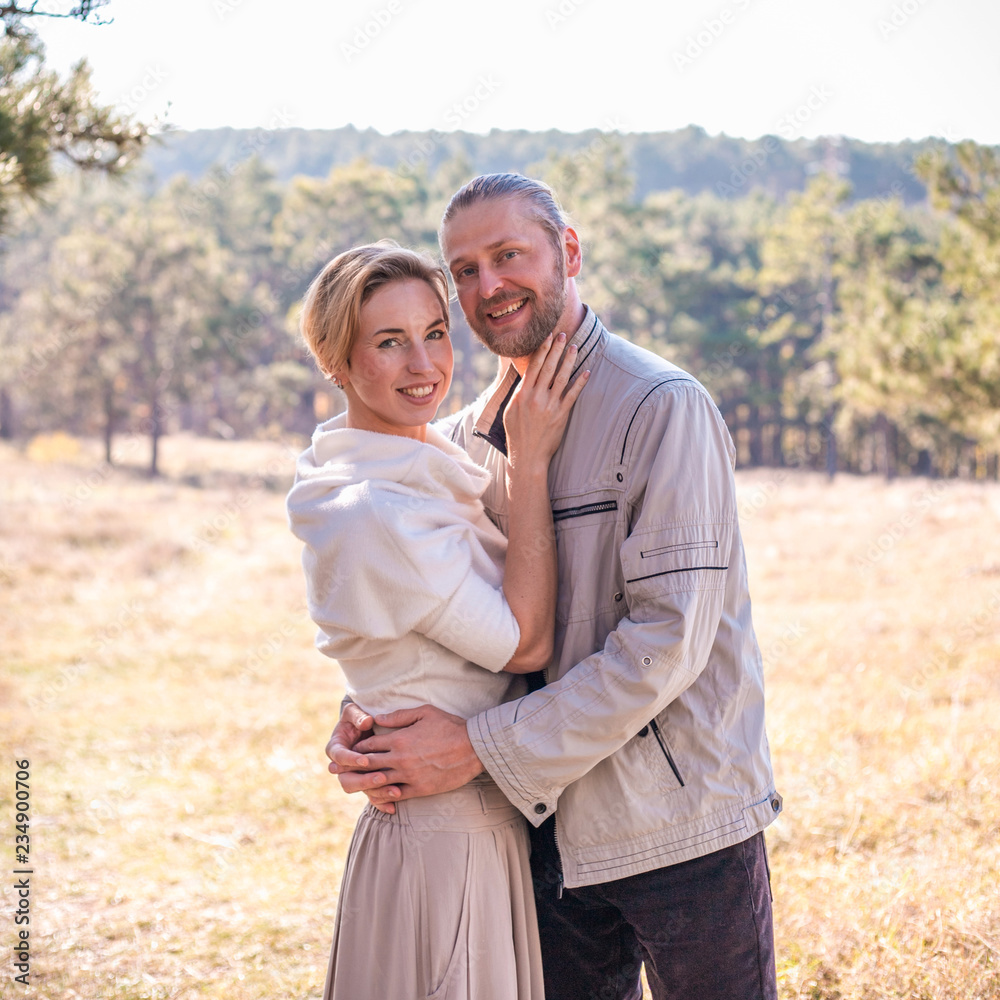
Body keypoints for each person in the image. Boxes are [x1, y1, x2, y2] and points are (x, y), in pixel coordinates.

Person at [328, 175, 784, 1000]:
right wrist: (376, 720)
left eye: (508, 256)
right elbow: (448, 622)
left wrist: (475, 748)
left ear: (567, 252)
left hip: (679, 830)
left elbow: (665, 643)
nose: (487, 286)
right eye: (463, 270)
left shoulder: (660, 406)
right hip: (542, 840)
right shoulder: (468, 438)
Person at [286, 241, 588, 1000]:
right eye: (389, 342)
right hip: (446, 836)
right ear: (339, 361)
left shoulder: (400, 461)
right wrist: (531, 463)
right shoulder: (375, 505)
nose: (425, 364)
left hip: (458, 820)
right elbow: (528, 640)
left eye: (435, 332)